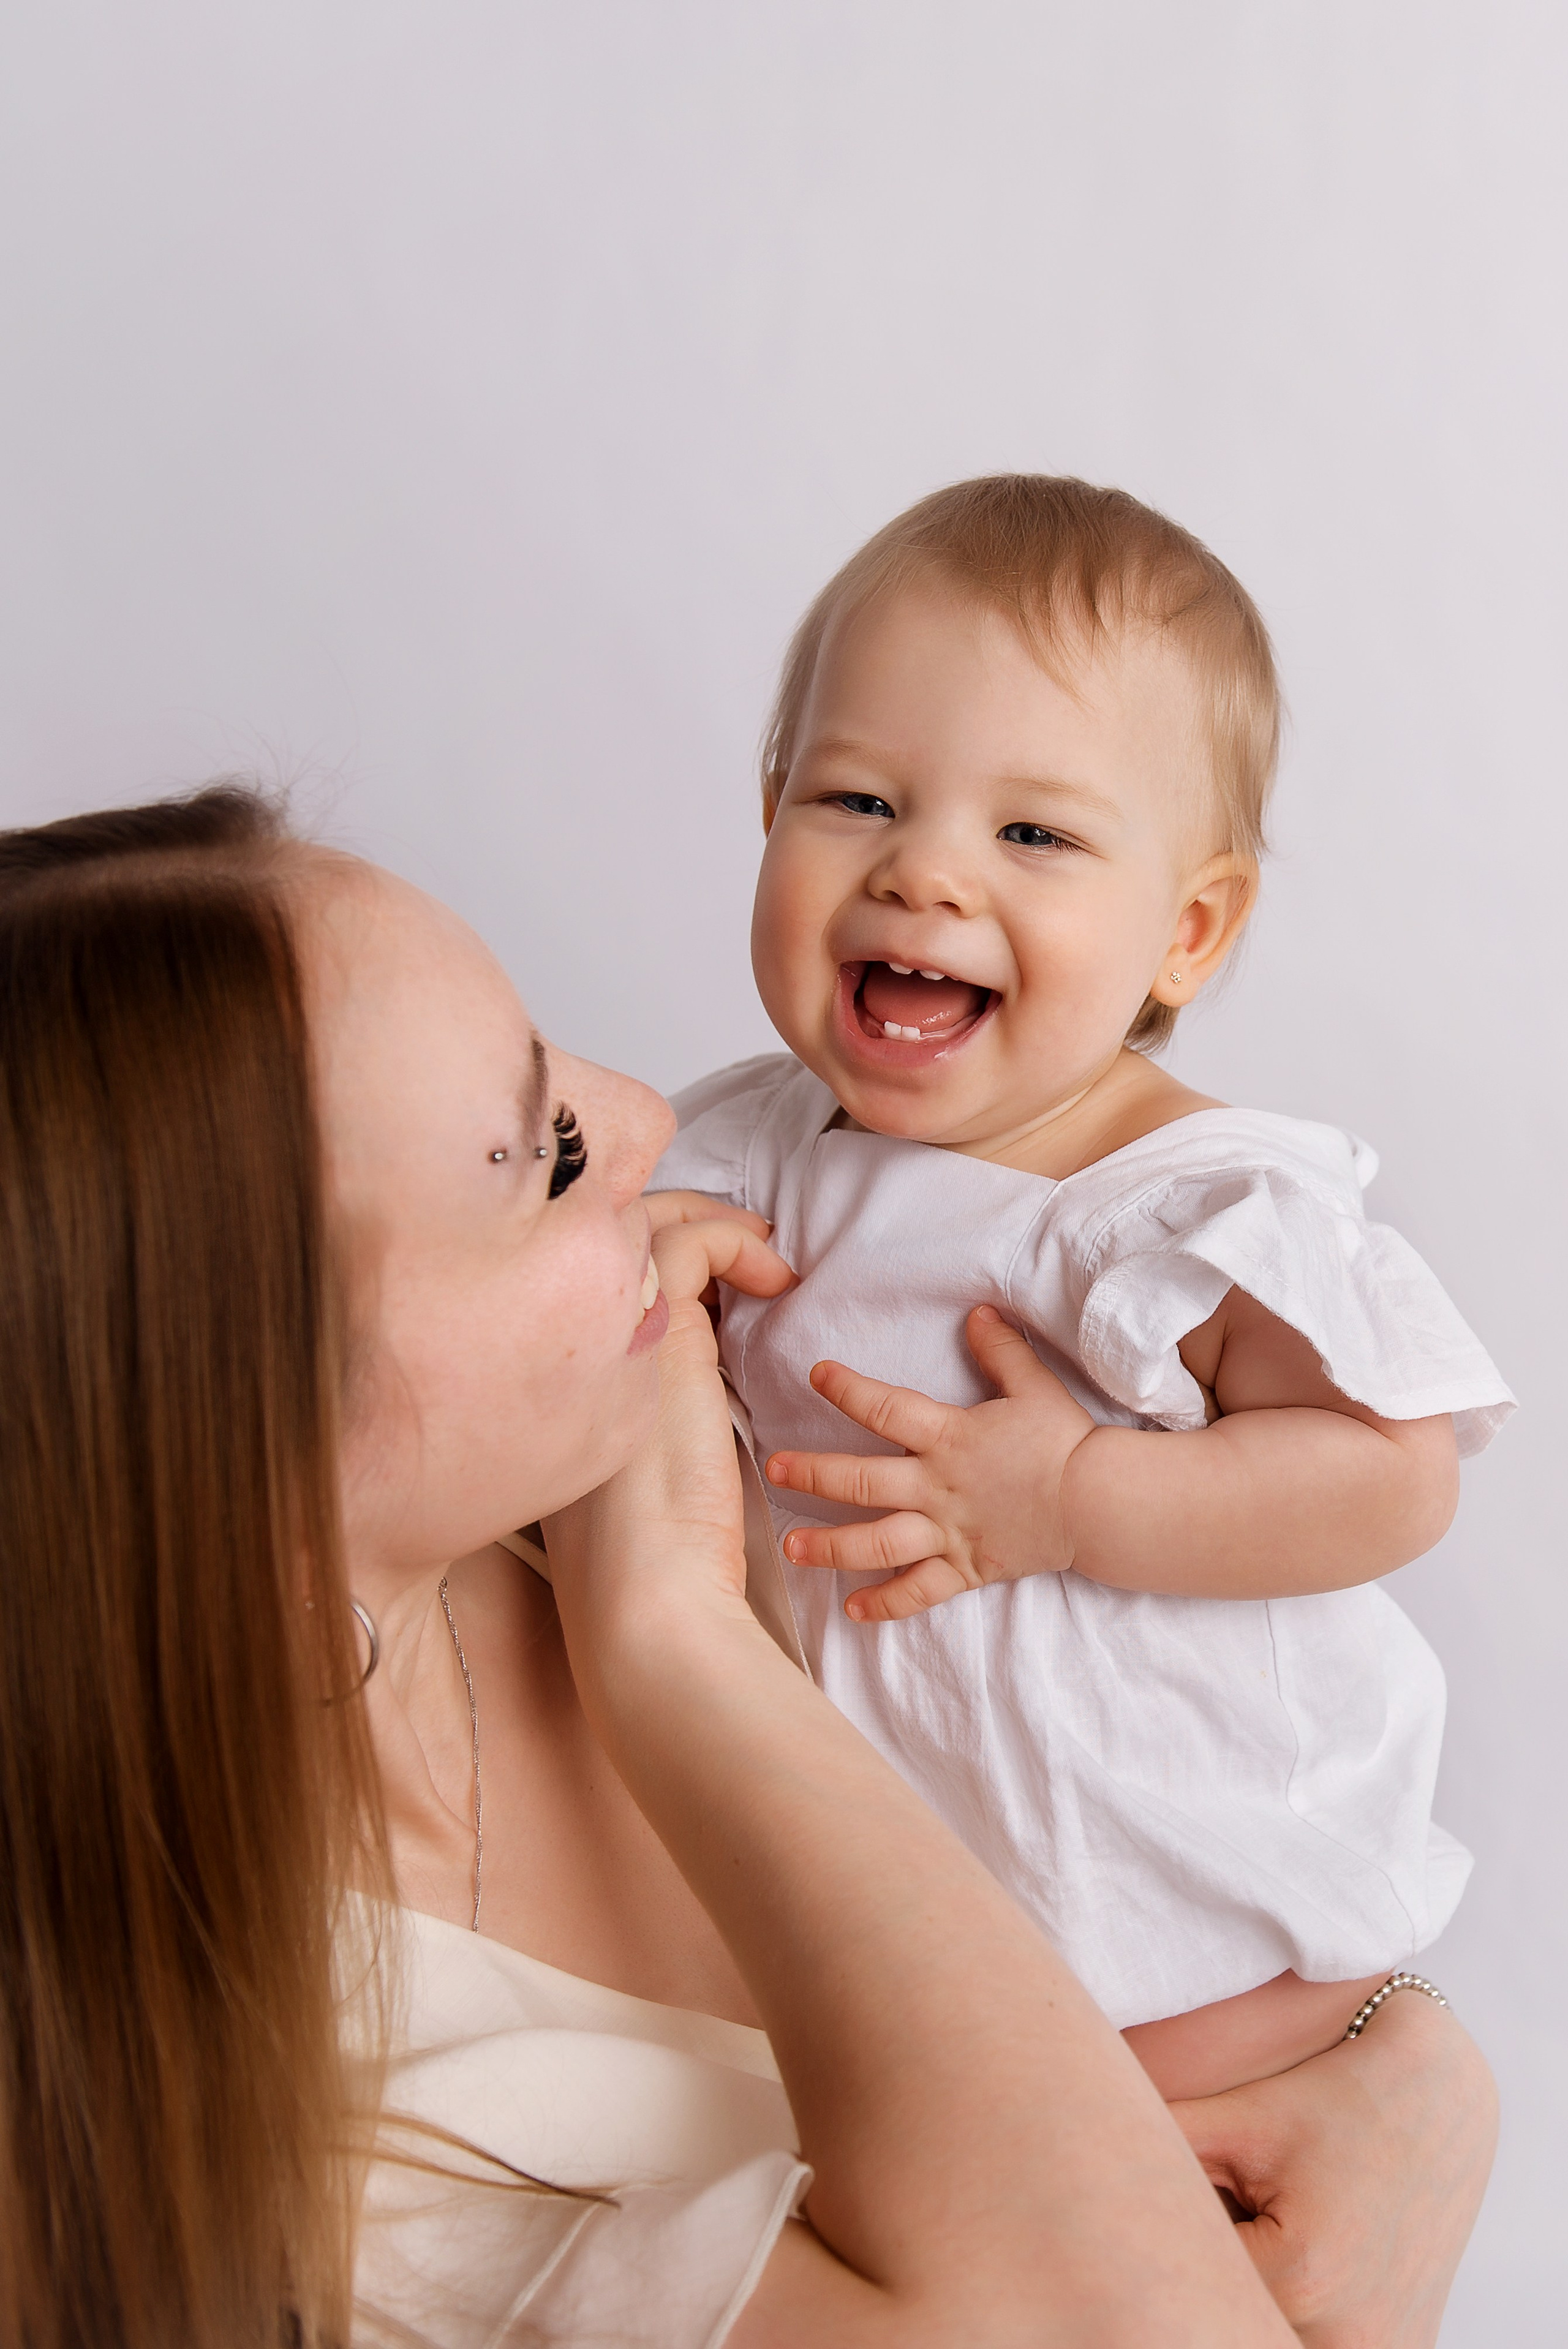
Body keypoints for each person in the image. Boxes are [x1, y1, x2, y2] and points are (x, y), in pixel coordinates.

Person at [0, 785, 1496, 2349]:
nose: (652, 1117)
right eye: (545, 1151)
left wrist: (1407, 2061)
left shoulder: (670, 1467)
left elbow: (1157, 1862)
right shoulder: (294, 2179)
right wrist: (670, 1645)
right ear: (243, 1466)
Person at [650, 473, 1515, 2105]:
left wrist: (1076, 1498)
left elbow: (1391, 1474)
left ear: (1186, 929)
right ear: (768, 805)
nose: (926, 875)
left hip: (1198, 1971)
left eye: (1032, 833)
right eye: (854, 800)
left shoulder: (1181, 1208)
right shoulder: (739, 1149)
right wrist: (646, 1283)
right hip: (903, 1955)